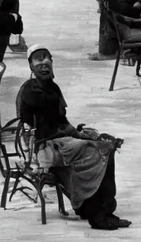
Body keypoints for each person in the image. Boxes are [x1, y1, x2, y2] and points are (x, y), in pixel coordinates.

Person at [15, 46, 128, 228]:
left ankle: (101, 206)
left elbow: (62, 121)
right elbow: (52, 127)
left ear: (52, 62)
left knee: (107, 146)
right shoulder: (32, 91)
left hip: (58, 142)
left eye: (46, 58)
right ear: (30, 66)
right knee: (100, 150)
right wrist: (80, 136)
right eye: (37, 60)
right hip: (45, 148)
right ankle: (97, 215)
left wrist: (81, 135)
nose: (43, 63)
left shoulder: (52, 87)